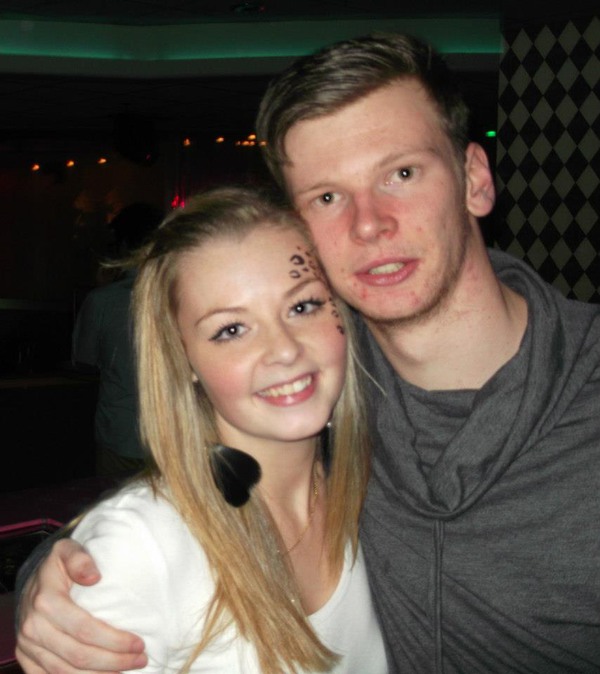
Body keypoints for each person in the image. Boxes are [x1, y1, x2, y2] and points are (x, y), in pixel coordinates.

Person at [16, 33, 600, 674]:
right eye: (327, 197)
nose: (369, 223)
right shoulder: (325, 378)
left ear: (476, 180)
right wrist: (57, 582)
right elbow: (160, 541)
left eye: (402, 173)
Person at [19, 185, 386, 673]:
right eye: (231, 329)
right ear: (184, 358)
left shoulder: (383, 495)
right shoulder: (139, 548)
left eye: (303, 306)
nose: (284, 349)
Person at [73, 203, 163, 477]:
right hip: (171, 436)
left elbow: (84, 362)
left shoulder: (102, 301)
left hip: (119, 434)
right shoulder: (181, 297)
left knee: (117, 501)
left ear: (122, 245)